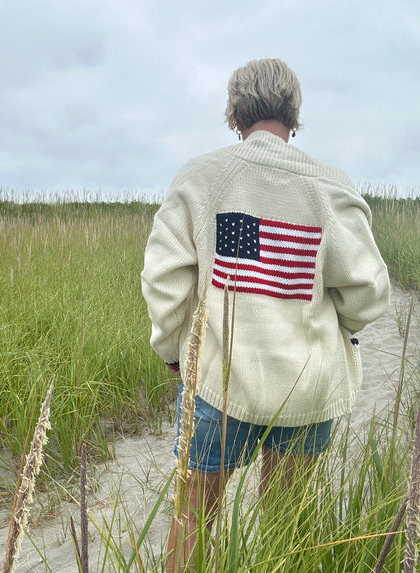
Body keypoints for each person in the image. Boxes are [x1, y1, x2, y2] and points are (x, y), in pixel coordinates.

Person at [141, 58, 390, 570]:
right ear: (294, 116)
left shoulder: (202, 178)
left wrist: (172, 351)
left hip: (217, 380)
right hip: (307, 385)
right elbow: (368, 291)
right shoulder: (332, 186)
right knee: (285, 530)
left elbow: (163, 280)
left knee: (192, 523)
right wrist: (333, 324)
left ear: (235, 114)